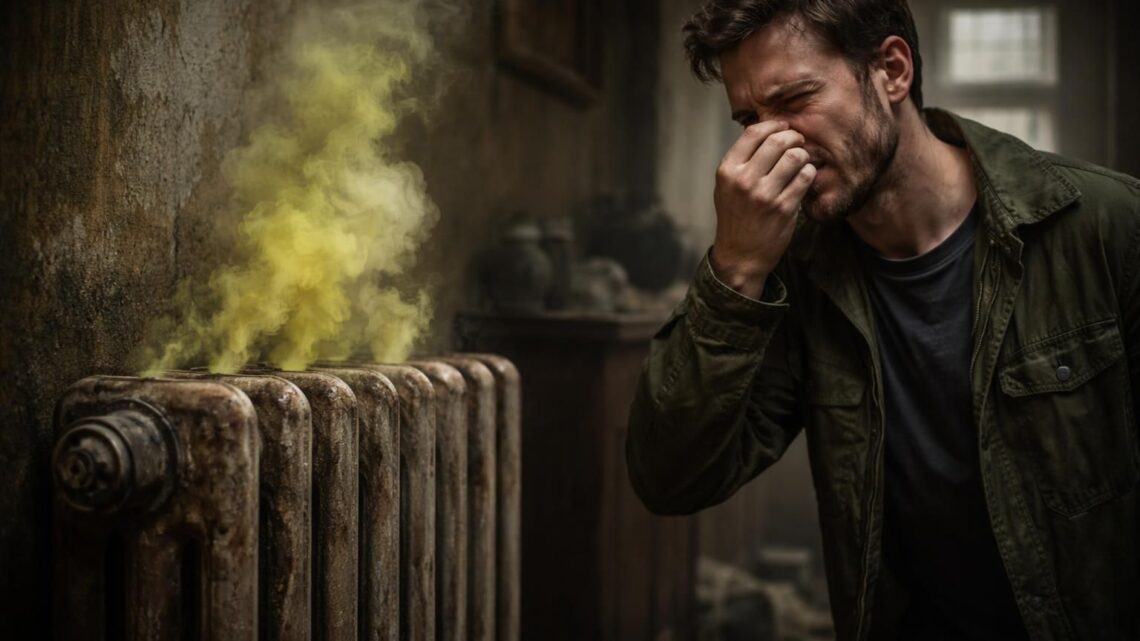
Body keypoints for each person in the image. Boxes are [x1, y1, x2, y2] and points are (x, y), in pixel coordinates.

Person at [624, 1, 1140, 639]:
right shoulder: (794, 274)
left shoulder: (1107, 227)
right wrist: (734, 270)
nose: (773, 141)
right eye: (750, 119)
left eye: (795, 99)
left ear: (892, 71)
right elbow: (670, 479)